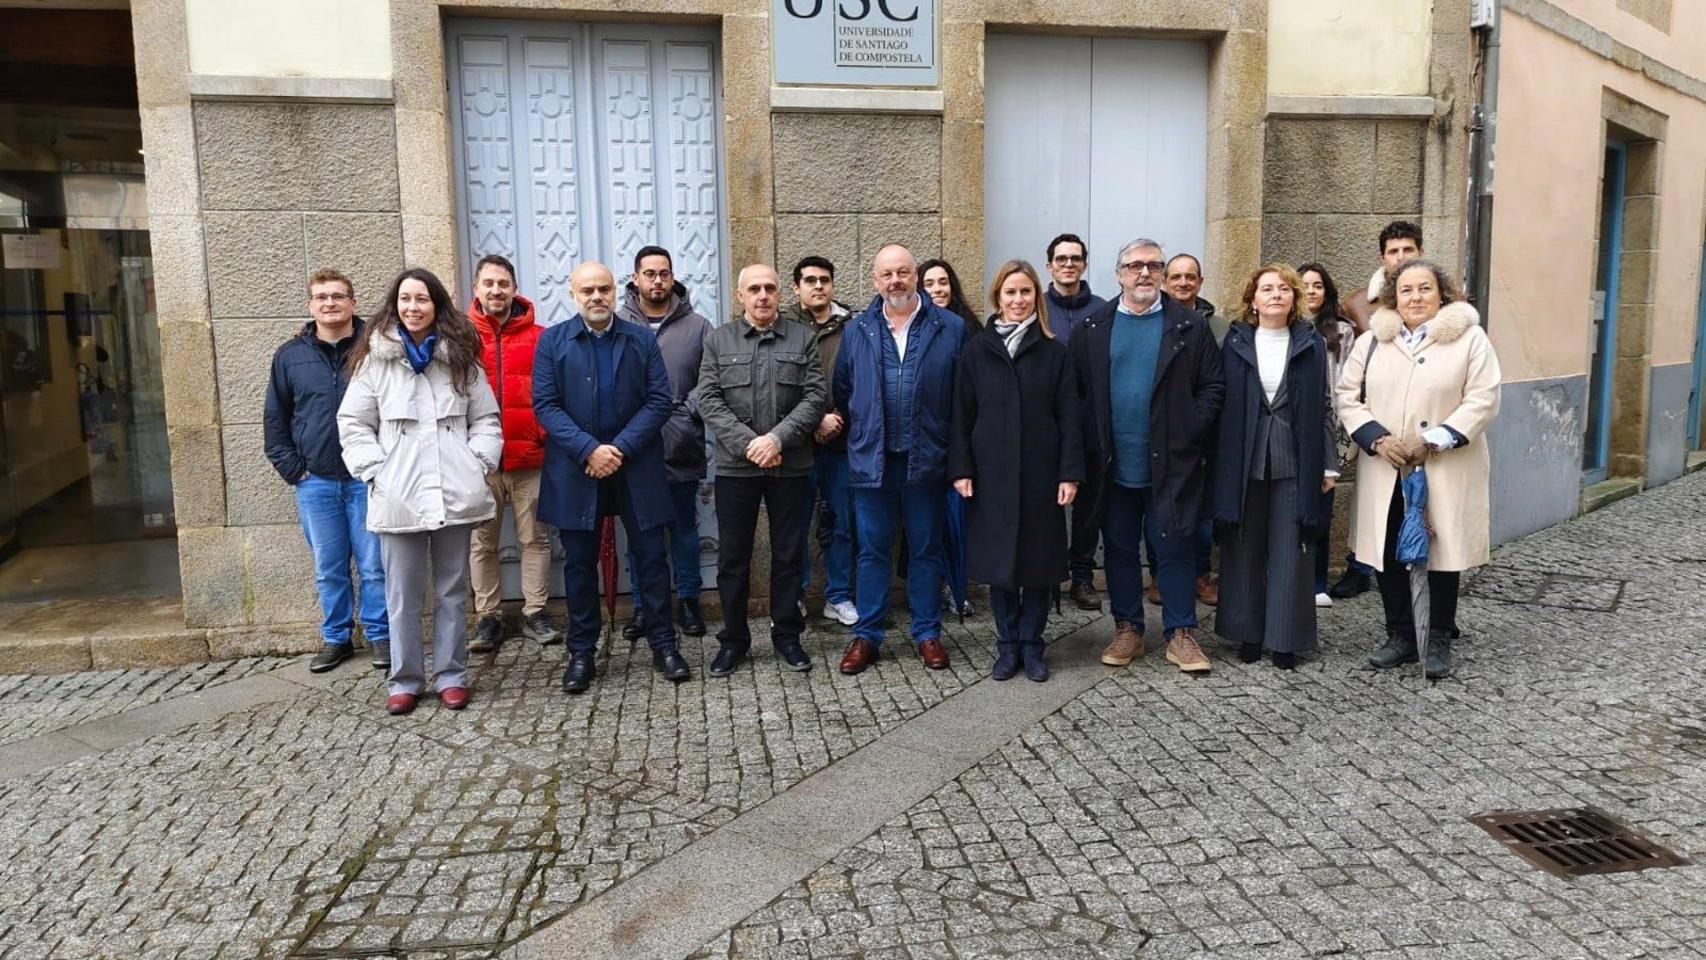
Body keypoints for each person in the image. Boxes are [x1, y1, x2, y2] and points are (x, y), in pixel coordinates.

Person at [337, 268, 503, 716]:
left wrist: (478, 463)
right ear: (395, 305)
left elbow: (486, 419)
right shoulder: (374, 359)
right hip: (399, 492)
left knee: (452, 589)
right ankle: (405, 679)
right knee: (402, 593)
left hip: (454, 489)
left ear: (437, 306)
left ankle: (451, 675)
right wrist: (375, 471)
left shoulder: (462, 357)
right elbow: (353, 423)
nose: (413, 307)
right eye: (406, 299)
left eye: (422, 299)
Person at [1335, 259, 1502, 680]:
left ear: (1441, 293)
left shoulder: (1470, 340)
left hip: (1444, 465)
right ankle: (1400, 634)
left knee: (1440, 550)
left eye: (1424, 288)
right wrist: (1378, 438)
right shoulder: (1373, 341)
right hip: (1386, 465)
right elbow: (1347, 396)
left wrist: (1434, 440)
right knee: (1389, 547)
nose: (1415, 297)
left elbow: (1482, 399)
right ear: (1394, 296)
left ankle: (1438, 636)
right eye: (1406, 290)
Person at [532, 261, 689, 694]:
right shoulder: (552, 342)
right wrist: (589, 449)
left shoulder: (640, 339)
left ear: (616, 291)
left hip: (635, 465)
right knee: (580, 565)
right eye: (588, 291)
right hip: (576, 468)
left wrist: (617, 449)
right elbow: (545, 405)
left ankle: (663, 643)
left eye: (603, 289)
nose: (597, 297)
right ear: (572, 293)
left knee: (652, 559)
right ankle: (582, 652)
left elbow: (660, 401)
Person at [1071, 238, 1223, 675]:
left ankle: (1181, 633)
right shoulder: (1093, 328)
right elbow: (1077, 394)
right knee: (1118, 548)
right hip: (1112, 465)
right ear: (1118, 273)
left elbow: (1213, 388)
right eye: (1135, 266)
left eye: (1153, 266)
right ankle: (1128, 629)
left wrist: (1189, 429)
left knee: (1173, 545)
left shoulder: (1188, 327)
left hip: (1171, 464)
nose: (1144, 274)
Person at [834, 243, 969, 675]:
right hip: (872, 462)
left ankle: (927, 633)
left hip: (926, 460)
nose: (896, 281)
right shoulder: (858, 330)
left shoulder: (949, 327)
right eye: (887, 274)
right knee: (871, 550)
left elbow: (963, 398)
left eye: (904, 272)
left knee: (927, 550)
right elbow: (843, 390)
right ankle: (868, 635)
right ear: (875, 280)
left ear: (916, 276)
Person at [950, 260, 1082, 682]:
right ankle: (1007, 645)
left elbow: (1070, 418)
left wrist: (1069, 473)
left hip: (1041, 475)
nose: (1018, 300)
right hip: (991, 475)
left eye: (1026, 292)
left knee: (1038, 564)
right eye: (1010, 293)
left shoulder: (1054, 352)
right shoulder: (977, 350)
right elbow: (960, 415)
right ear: (997, 298)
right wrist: (962, 468)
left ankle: (1032, 643)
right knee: (1000, 564)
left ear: (1036, 298)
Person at [696, 264, 827, 675]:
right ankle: (733, 640)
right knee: (733, 558)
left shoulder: (803, 338)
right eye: (754, 289)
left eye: (770, 288)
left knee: (788, 555)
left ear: (779, 294)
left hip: (790, 465)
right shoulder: (720, 341)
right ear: (741, 296)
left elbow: (815, 396)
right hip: (737, 468)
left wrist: (776, 440)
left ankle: (787, 636)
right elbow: (709, 399)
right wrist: (750, 444)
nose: (763, 295)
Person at [1211, 264, 1336, 670]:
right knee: (1243, 546)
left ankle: (1284, 638)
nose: (1276, 295)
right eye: (1267, 289)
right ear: (1253, 298)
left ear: (1294, 297)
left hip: (1293, 458)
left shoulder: (1309, 343)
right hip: (1243, 456)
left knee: (1291, 548)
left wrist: (1329, 465)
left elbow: (1323, 407)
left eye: (1284, 288)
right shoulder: (1233, 342)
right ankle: (1247, 633)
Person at [264, 268, 388, 673]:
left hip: (367, 479)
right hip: (315, 481)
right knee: (329, 567)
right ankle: (337, 638)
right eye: (321, 297)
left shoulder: (376, 347)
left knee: (374, 566)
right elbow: (275, 419)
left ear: (353, 302)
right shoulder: (290, 356)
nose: (329, 303)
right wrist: (294, 471)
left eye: (338, 296)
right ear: (310, 305)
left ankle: (379, 635)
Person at [616, 245, 712, 640]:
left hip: (680, 443)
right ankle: (643, 606)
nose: (657, 281)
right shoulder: (618, 322)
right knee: (640, 534)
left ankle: (689, 601)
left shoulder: (698, 326)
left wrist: (686, 411)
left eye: (664, 273)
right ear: (635, 278)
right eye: (649, 273)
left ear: (673, 278)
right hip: (635, 448)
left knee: (684, 529)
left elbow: (710, 380)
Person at [465, 254, 559, 653]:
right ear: (476, 289)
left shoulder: (541, 336)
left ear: (515, 289)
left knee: (534, 539)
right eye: (488, 283)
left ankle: (535, 612)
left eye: (503, 283)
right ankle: (488, 618)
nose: (496, 291)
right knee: (480, 543)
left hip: (529, 458)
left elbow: (555, 391)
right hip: (477, 462)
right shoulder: (460, 336)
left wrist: (543, 435)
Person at [1329, 219, 1425, 599]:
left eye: (1408, 250)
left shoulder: (1442, 298)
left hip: (1424, 421)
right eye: (1393, 251)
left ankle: (1433, 604)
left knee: (1427, 507)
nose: (1400, 257)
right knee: (1373, 506)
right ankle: (1361, 566)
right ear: (1382, 257)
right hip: (1373, 418)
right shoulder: (1356, 303)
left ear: (1420, 251)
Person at [784, 255, 858, 627]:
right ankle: (794, 595)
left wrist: (837, 420)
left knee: (841, 523)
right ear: (796, 288)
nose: (818, 286)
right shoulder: (783, 328)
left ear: (832, 285)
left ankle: (839, 595)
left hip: (841, 444)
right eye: (809, 280)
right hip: (796, 444)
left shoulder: (853, 327)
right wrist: (812, 422)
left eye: (824, 280)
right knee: (794, 524)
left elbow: (862, 381)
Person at [918, 257, 978, 618]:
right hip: (925, 441)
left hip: (963, 441)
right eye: (929, 283)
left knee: (959, 521)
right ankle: (933, 588)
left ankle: (959, 587)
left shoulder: (969, 329)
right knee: (927, 524)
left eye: (943, 282)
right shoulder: (916, 329)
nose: (938, 289)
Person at [1299, 261, 1361, 607]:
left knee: (1322, 508)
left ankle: (1317, 581)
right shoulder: (1285, 326)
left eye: (1318, 285)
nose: (1311, 290)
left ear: (1327, 292)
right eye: (1304, 284)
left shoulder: (1342, 332)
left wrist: (1342, 436)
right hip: (1292, 433)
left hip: (1330, 430)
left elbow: (1351, 385)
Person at [1042, 233, 1108, 341]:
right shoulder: (1037, 307)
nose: (1068, 264)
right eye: (1061, 259)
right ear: (1049, 267)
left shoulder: (1103, 309)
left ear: (1084, 266)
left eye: (1075, 259)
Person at [1163, 253, 1217, 320]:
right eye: (1176, 277)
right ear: (1164, 282)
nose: (1183, 283)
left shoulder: (1219, 327)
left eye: (1190, 277)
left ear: (1200, 282)